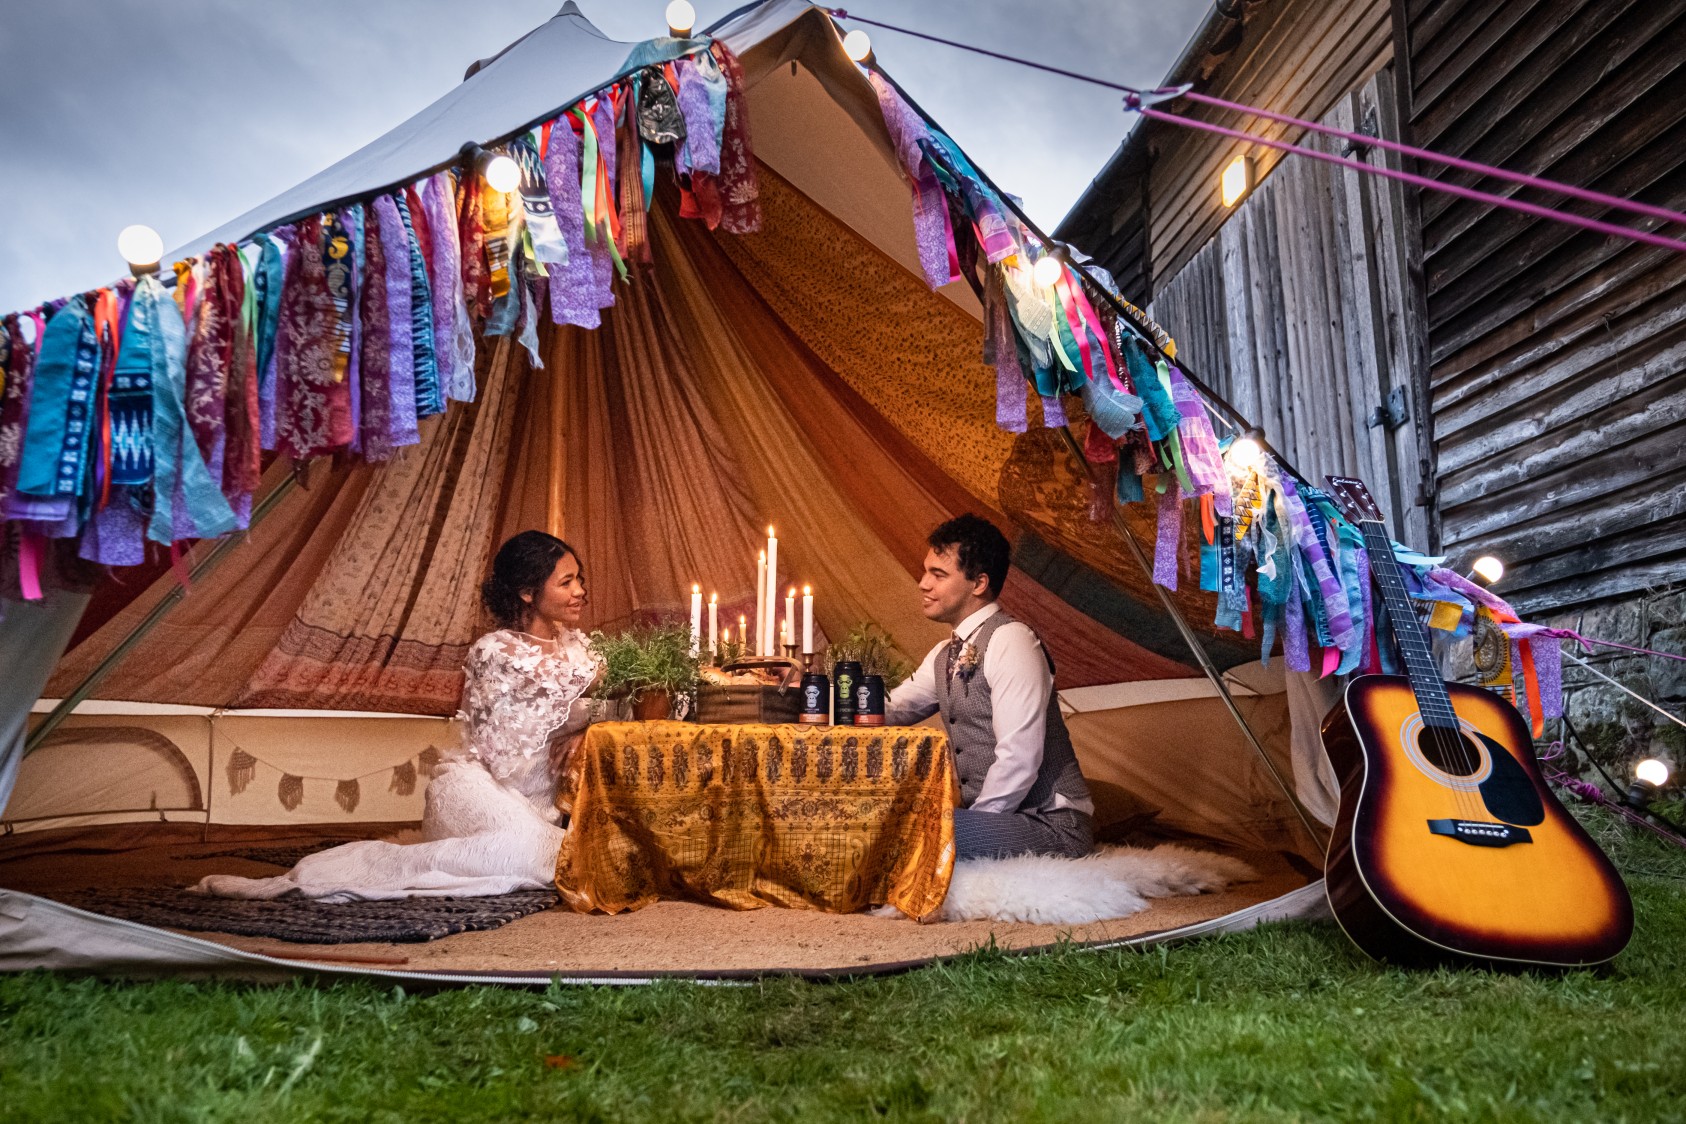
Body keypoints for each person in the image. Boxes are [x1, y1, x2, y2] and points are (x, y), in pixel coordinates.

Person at [194, 531, 602, 901]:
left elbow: (613, 709)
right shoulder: (495, 652)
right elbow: (525, 734)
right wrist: (590, 706)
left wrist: (590, 730)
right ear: (528, 593)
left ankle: (505, 847)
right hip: (480, 790)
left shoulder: (582, 650)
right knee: (541, 854)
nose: (580, 590)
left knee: (564, 856)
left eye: (579, 578)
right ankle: (321, 876)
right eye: (566, 582)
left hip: (544, 805)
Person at [885, 514, 1095, 861]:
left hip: (1049, 824)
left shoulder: (1012, 641)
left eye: (938, 575)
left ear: (979, 583)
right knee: (884, 824)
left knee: (913, 834)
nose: (923, 584)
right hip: (998, 822)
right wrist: (817, 696)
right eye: (925, 572)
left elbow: (1019, 758)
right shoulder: (944, 655)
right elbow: (894, 708)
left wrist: (973, 826)